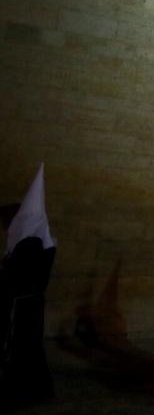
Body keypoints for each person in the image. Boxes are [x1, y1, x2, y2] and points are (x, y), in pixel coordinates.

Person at [0, 164, 56, 406]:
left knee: (22, 349)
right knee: (28, 347)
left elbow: (16, 276)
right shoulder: (40, 241)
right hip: (28, 304)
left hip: (22, 306)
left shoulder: (31, 243)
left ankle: (21, 391)